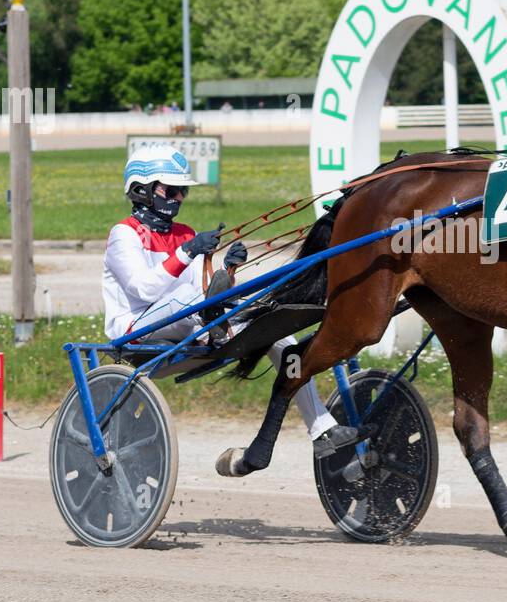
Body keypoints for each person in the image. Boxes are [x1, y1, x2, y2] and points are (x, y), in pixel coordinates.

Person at [104, 144, 360, 458]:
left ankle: (321, 428)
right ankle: (219, 326)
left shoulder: (186, 233)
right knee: (192, 300)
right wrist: (188, 252)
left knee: (278, 333)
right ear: (142, 190)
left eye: (182, 191)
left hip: (186, 328)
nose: (179, 198)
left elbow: (206, 288)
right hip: (136, 333)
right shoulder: (124, 234)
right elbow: (143, 290)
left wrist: (227, 268)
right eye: (171, 190)